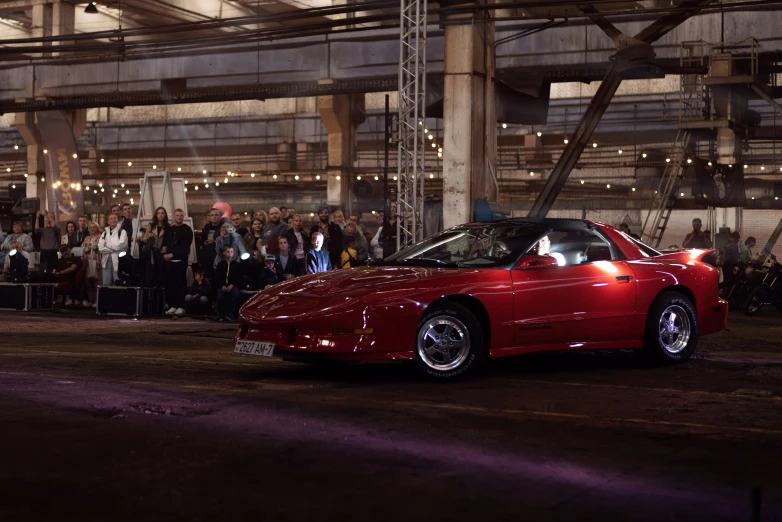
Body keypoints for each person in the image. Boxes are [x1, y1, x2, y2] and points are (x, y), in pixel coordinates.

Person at [161, 208, 193, 316]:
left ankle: (181, 306)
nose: (179, 217)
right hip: (169, 262)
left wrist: (173, 254)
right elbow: (165, 243)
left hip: (180, 261)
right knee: (171, 284)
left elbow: (185, 247)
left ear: (183, 217)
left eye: (181, 215)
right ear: (174, 216)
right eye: (177, 215)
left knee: (180, 284)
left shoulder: (187, 230)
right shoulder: (170, 229)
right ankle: (173, 305)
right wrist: (164, 252)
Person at [98, 213, 128, 286]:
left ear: (117, 220)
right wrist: (113, 249)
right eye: (111, 218)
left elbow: (119, 246)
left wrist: (107, 245)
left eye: (115, 218)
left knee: (118, 283)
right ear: (108, 221)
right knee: (106, 284)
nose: (113, 220)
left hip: (118, 260)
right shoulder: (104, 233)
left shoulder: (122, 232)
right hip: (106, 260)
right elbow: (100, 248)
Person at [215, 245, 240, 321]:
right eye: (228, 252)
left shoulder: (236, 265)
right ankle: (220, 314)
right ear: (224, 253)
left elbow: (237, 277)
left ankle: (230, 312)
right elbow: (218, 277)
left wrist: (232, 285)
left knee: (236, 295)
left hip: (232, 285)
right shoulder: (220, 264)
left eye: (231, 252)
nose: (230, 253)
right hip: (222, 286)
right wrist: (222, 285)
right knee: (220, 297)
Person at [81, 222, 103, 307]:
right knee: (88, 282)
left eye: (94, 227)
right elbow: (83, 247)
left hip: (97, 261)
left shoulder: (101, 237)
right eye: (90, 227)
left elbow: (100, 248)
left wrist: (91, 247)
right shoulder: (87, 238)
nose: (92, 229)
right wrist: (89, 247)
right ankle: (91, 300)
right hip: (88, 262)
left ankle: (97, 301)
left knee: (97, 282)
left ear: (97, 228)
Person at [200, 208, 224, 281]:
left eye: (216, 215)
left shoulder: (223, 227)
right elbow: (202, 240)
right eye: (212, 215)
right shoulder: (207, 227)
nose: (214, 217)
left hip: (218, 256)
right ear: (209, 217)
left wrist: (214, 241)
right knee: (209, 279)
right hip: (207, 257)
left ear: (220, 216)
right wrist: (204, 243)